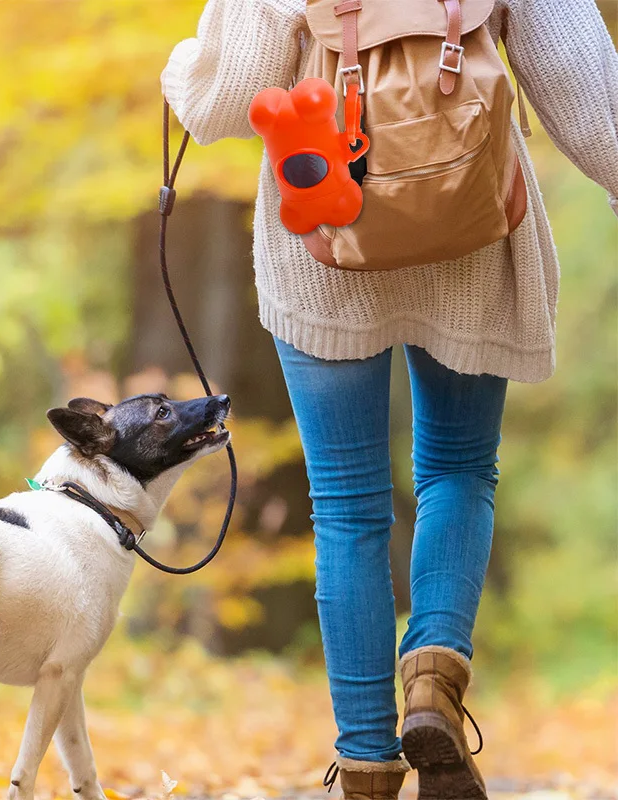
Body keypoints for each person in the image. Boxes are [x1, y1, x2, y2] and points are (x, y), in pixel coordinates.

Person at [161, 1, 618, 798]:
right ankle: (434, 675)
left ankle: (366, 765)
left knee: (347, 505)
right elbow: (583, 86)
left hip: (325, 242)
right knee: (459, 471)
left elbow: (225, 98)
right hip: (472, 226)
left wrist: (179, 73)